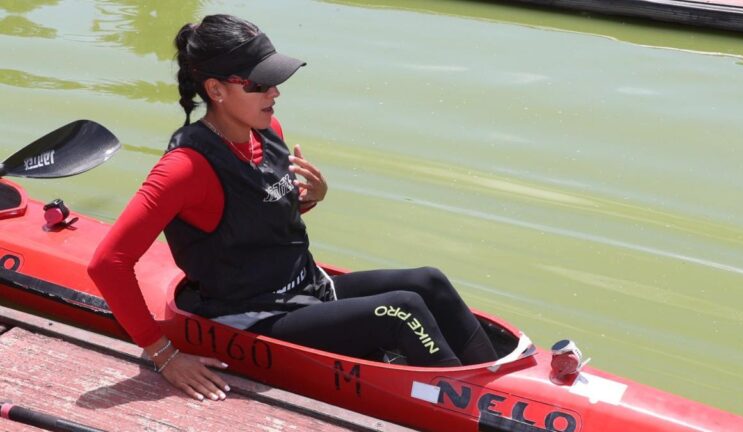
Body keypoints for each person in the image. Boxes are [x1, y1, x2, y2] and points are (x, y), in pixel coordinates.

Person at [88, 14, 498, 402]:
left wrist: (311, 198)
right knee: (401, 310)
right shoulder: (184, 168)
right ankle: (468, 408)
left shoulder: (267, 131)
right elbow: (108, 263)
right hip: (251, 314)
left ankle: (495, 382)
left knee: (429, 282)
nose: (275, 93)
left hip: (306, 288)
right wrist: (164, 355)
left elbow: (252, 219)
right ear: (216, 90)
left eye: (276, 82)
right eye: (261, 85)